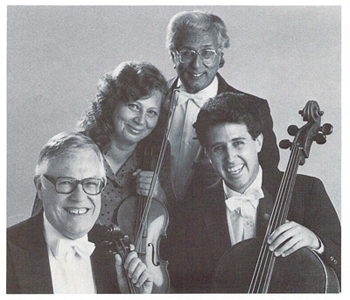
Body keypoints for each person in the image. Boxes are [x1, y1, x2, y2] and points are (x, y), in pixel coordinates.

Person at [163, 92, 341, 293]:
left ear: (258, 142)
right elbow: (184, 287)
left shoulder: (307, 192)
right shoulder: (191, 212)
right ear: (208, 154)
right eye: (218, 148)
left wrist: (316, 243)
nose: (230, 158)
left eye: (238, 143)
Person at [7, 132, 153, 294]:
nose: (79, 197)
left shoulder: (115, 252)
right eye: (66, 182)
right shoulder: (7, 250)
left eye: (91, 183)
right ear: (40, 186)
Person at [32, 61, 175, 224]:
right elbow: (38, 223)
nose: (141, 121)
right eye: (133, 106)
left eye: (151, 112)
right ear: (112, 104)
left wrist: (159, 195)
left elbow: (169, 229)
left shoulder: (157, 152)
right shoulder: (71, 151)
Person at [165, 10, 280, 203]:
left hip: (214, 226)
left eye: (207, 53)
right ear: (173, 56)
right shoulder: (151, 101)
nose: (196, 64)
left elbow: (268, 176)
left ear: (221, 57)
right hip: (150, 221)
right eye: (186, 53)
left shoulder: (253, 107)